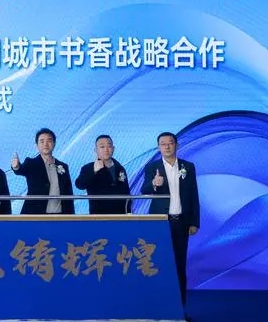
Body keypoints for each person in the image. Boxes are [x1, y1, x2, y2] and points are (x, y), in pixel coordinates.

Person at [141, 132, 200, 311]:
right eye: (163, 144)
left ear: (176, 145)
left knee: (179, 266)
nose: (167, 146)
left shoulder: (188, 167)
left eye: (170, 143)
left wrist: (194, 222)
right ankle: (159, 308)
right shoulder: (152, 167)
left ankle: (179, 309)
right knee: (159, 264)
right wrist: (154, 183)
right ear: (158, 147)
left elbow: (194, 195)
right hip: (160, 223)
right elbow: (144, 190)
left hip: (181, 223)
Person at [11, 128, 75, 215]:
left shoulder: (63, 166)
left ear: (54, 143)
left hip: (60, 216)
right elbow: (21, 170)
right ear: (37, 145)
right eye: (42, 141)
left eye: (49, 140)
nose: (45, 144)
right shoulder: (31, 163)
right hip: (35, 215)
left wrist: (71, 216)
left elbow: (69, 193)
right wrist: (16, 166)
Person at [75, 135, 131, 214]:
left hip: (121, 215)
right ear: (96, 150)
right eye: (102, 147)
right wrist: (94, 171)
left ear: (113, 149)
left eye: (109, 146)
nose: (106, 149)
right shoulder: (88, 168)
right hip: (99, 215)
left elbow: (126, 193)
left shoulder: (120, 168)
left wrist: (128, 212)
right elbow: (79, 185)